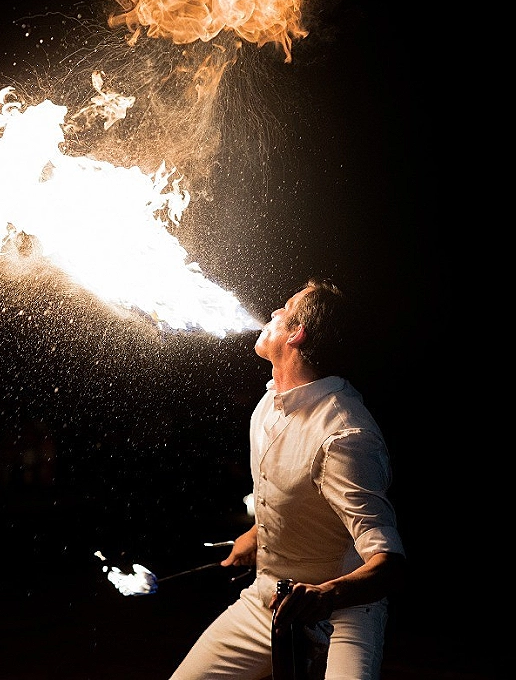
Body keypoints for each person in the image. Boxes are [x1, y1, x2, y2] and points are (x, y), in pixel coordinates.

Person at [169, 277, 406, 680]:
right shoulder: (268, 404)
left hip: (344, 613)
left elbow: (389, 564)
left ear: (297, 334)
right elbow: (291, 492)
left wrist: (325, 595)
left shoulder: (345, 437)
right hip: (267, 601)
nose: (274, 311)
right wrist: (258, 533)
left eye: (286, 307)